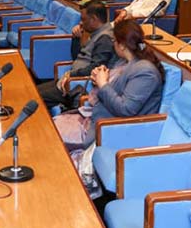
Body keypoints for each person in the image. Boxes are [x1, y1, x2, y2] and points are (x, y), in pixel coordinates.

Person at [53, 19, 164, 150]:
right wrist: (98, 79)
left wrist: (103, 84)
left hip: (111, 130)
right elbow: (114, 89)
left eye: (114, 41)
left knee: (51, 136)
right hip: (96, 120)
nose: (113, 44)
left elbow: (126, 110)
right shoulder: (124, 62)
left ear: (122, 45)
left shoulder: (145, 72)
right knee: (52, 125)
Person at [38, 2, 117, 110]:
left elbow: (97, 68)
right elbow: (78, 57)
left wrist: (71, 74)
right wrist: (76, 38)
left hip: (78, 85)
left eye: (83, 19)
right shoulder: (96, 33)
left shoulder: (105, 38)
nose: (80, 23)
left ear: (94, 19)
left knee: (35, 96)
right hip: (71, 79)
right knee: (33, 89)